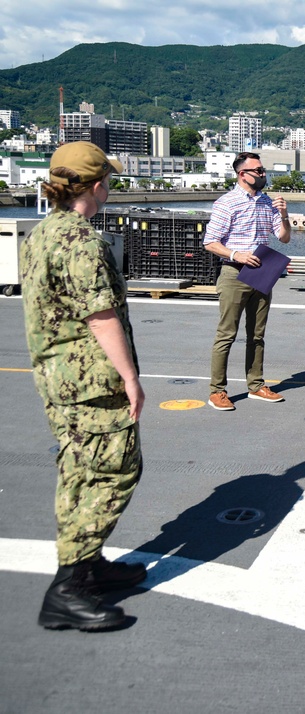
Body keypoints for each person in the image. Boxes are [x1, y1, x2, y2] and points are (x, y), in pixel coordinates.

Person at [21, 141, 146, 631]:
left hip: (58, 377)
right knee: (112, 471)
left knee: (79, 468)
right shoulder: (81, 240)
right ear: (96, 186)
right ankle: (70, 586)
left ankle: (87, 566)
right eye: (108, 181)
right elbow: (100, 316)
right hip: (91, 380)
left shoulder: (41, 233)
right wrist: (131, 377)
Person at [202, 152, 291, 411]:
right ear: (243, 174)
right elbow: (210, 242)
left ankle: (256, 385)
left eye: (263, 170)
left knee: (257, 334)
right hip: (234, 272)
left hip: (262, 271)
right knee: (226, 334)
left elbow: (283, 238)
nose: (264, 174)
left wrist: (284, 215)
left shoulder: (267, 203)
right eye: (259, 171)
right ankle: (217, 391)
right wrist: (235, 254)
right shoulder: (226, 203)